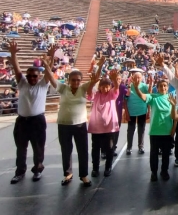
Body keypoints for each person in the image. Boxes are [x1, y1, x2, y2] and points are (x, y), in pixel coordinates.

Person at [7, 41, 55, 184]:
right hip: (22, 121)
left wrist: (51, 55)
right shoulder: (22, 84)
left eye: (35, 76)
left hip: (37, 121)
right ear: (27, 77)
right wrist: (13, 53)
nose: (32, 78)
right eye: (30, 76)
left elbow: (49, 71)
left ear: (38, 77)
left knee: (38, 148)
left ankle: (38, 169)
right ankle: (20, 172)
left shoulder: (42, 85)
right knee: (21, 148)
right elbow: (16, 69)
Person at [54, 56, 105, 187]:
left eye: (78, 80)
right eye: (73, 80)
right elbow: (49, 78)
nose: (76, 82)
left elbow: (95, 79)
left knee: (82, 150)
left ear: (81, 81)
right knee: (66, 150)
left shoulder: (83, 89)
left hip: (80, 124)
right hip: (64, 125)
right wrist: (48, 62)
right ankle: (67, 173)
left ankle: (83, 175)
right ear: (68, 80)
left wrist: (100, 65)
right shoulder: (63, 88)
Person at [133, 78, 174, 181]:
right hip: (155, 132)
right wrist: (137, 87)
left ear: (167, 87)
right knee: (154, 154)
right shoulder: (153, 97)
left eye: (165, 86)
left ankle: (164, 171)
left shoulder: (171, 98)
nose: (163, 87)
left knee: (165, 154)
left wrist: (173, 130)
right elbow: (142, 96)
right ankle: (154, 172)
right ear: (157, 88)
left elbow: (174, 115)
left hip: (167, 132)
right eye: (161, 86)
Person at [87, 69, 120, 178]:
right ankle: (95, 168)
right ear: (99, 86)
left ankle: (108, 167)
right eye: (103, 86)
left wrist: (114, 80)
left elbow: (116, 89)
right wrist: (92, 83)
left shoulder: (111, 94)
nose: (105, 89)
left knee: (110, 149)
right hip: (97, 127)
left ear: (110, 87)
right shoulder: (96, 95)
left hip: (109, 127)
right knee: (95, 149)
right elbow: (88, 94)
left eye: (107, 86)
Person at [125, 72, 149, 155]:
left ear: (142, 78)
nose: (137, 79)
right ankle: (129, 147)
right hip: (131, 111)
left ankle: (141, 147)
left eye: (139, 77)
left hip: (142, 111)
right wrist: (126, 113)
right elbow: (125, 99)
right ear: (132, 78)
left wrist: (148, 110)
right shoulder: (129, 86)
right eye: (136, 77)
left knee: (141, 129)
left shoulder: (144, 86)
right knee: (130, 130)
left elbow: (149, 96)